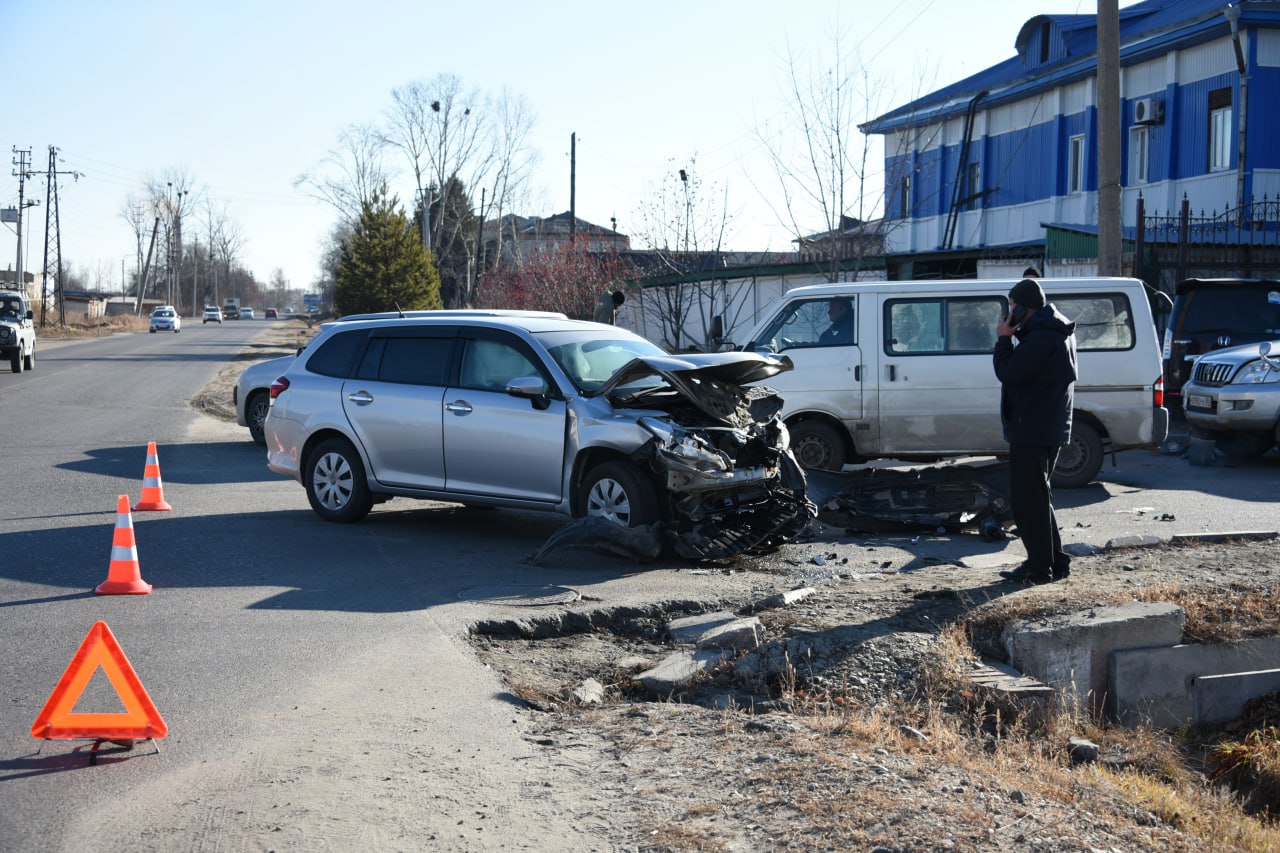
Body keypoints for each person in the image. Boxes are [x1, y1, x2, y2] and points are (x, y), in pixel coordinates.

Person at [993, 278, 1078, 584]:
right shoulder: (1050, 332)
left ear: (1025, 308)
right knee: (1038, 498)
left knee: (1030, 501)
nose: (1009, 312)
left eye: (1013, 306)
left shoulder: (1042, 337)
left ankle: (1040, 568)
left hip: (1032, 428)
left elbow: (1009, 373)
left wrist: (1003, 339)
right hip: (1043, 426)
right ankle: (1054, 561)